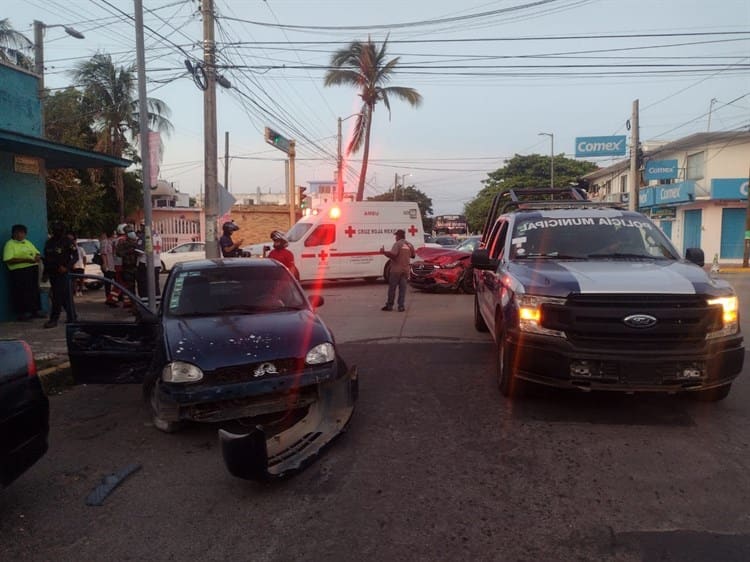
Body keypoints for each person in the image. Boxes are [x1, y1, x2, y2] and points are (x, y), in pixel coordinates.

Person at [3, 224, 43, 321]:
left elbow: (37, 252)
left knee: (34, 291)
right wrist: (25, 260)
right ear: (14, 234)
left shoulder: (27, 242)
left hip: (32, 269)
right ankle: (23, 314)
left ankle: (35, 311)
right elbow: (8, 259)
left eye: (23, 233)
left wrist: (37, 256)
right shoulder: (10, 244)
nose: (21, 235)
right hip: (19, 272)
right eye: (19, 233)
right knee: (21, 292)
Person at [43, 221, 78, 328]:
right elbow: (47, 259)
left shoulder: (68, 241)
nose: (56, 231)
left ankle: (54, 319)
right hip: (52, 272)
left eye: (59, 229)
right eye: (55, 229)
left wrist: (66, 267)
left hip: (63, 273)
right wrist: (45, 273)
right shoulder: (49, 242)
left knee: (60, 297)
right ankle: (72, 316)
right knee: (60, 297)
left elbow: (75, 257)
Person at [380, 229, 415, 312]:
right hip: (405, 270)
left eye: (396, 236)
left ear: (399, 236)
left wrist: (384, 252)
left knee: (392, 288)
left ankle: (389, 305)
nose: (395, 237)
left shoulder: (397, 244)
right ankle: (401, 306)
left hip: (396, 270)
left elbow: (393, 255)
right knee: (402, 289)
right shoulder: (409, 244)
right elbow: (413, 256)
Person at [99, 230, 116, 301]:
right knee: (108, 283)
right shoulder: (105, 242)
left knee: (116, 283)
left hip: (114, 265)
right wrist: (105, 264)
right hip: (108, 266)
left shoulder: (113, 241)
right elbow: (103, 254)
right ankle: (109, 298)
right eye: (114, 234)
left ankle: (113, 298)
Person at [70, 232, 86, 297]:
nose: (74, 242)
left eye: (74, 240)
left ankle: (80, 291)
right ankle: (76, 291)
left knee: (81, 279)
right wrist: (72, 265)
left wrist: (84, 265)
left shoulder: (80, 248)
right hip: (74, 266)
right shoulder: (70, 249)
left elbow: (84, 257)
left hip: (80, 266)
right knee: (74, 280)